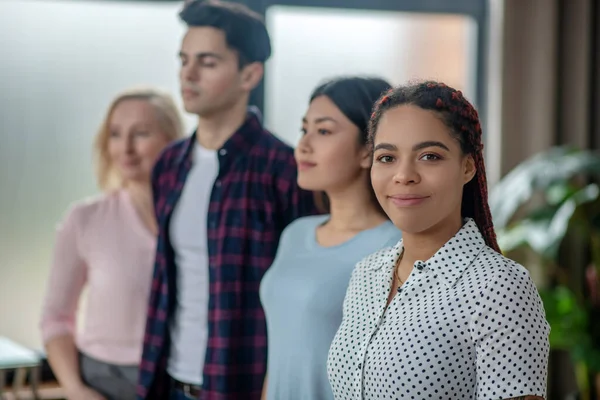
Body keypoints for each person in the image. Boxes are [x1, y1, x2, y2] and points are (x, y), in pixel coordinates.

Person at [136, 1, 317, 400]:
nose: (188, 73)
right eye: (184, 59)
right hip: (166, 378)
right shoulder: (169, 164)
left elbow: (303, 297)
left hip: (244, 382)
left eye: (208, 62)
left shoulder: (285, 170)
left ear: (249, 74)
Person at [327, 81, 550, 399]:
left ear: (468, 166)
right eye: (387, 157)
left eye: (429, 156)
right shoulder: (366, 274)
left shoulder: (497, 286)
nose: (403, 175)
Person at [259, 76, 401, 400]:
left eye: (323, 131)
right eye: (304, 129)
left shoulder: (394, 247)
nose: (303, 145)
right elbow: (281, 355)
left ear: (369, 150)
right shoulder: (295, 234)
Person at [40, 88, 184, 400]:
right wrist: (76, 390)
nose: (126, 148)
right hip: (103, 383)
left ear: (173, 141)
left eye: (141, 134)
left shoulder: (197, 223)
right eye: (115, 134)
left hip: (179, 380)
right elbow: (55, 319)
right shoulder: (85, 219)